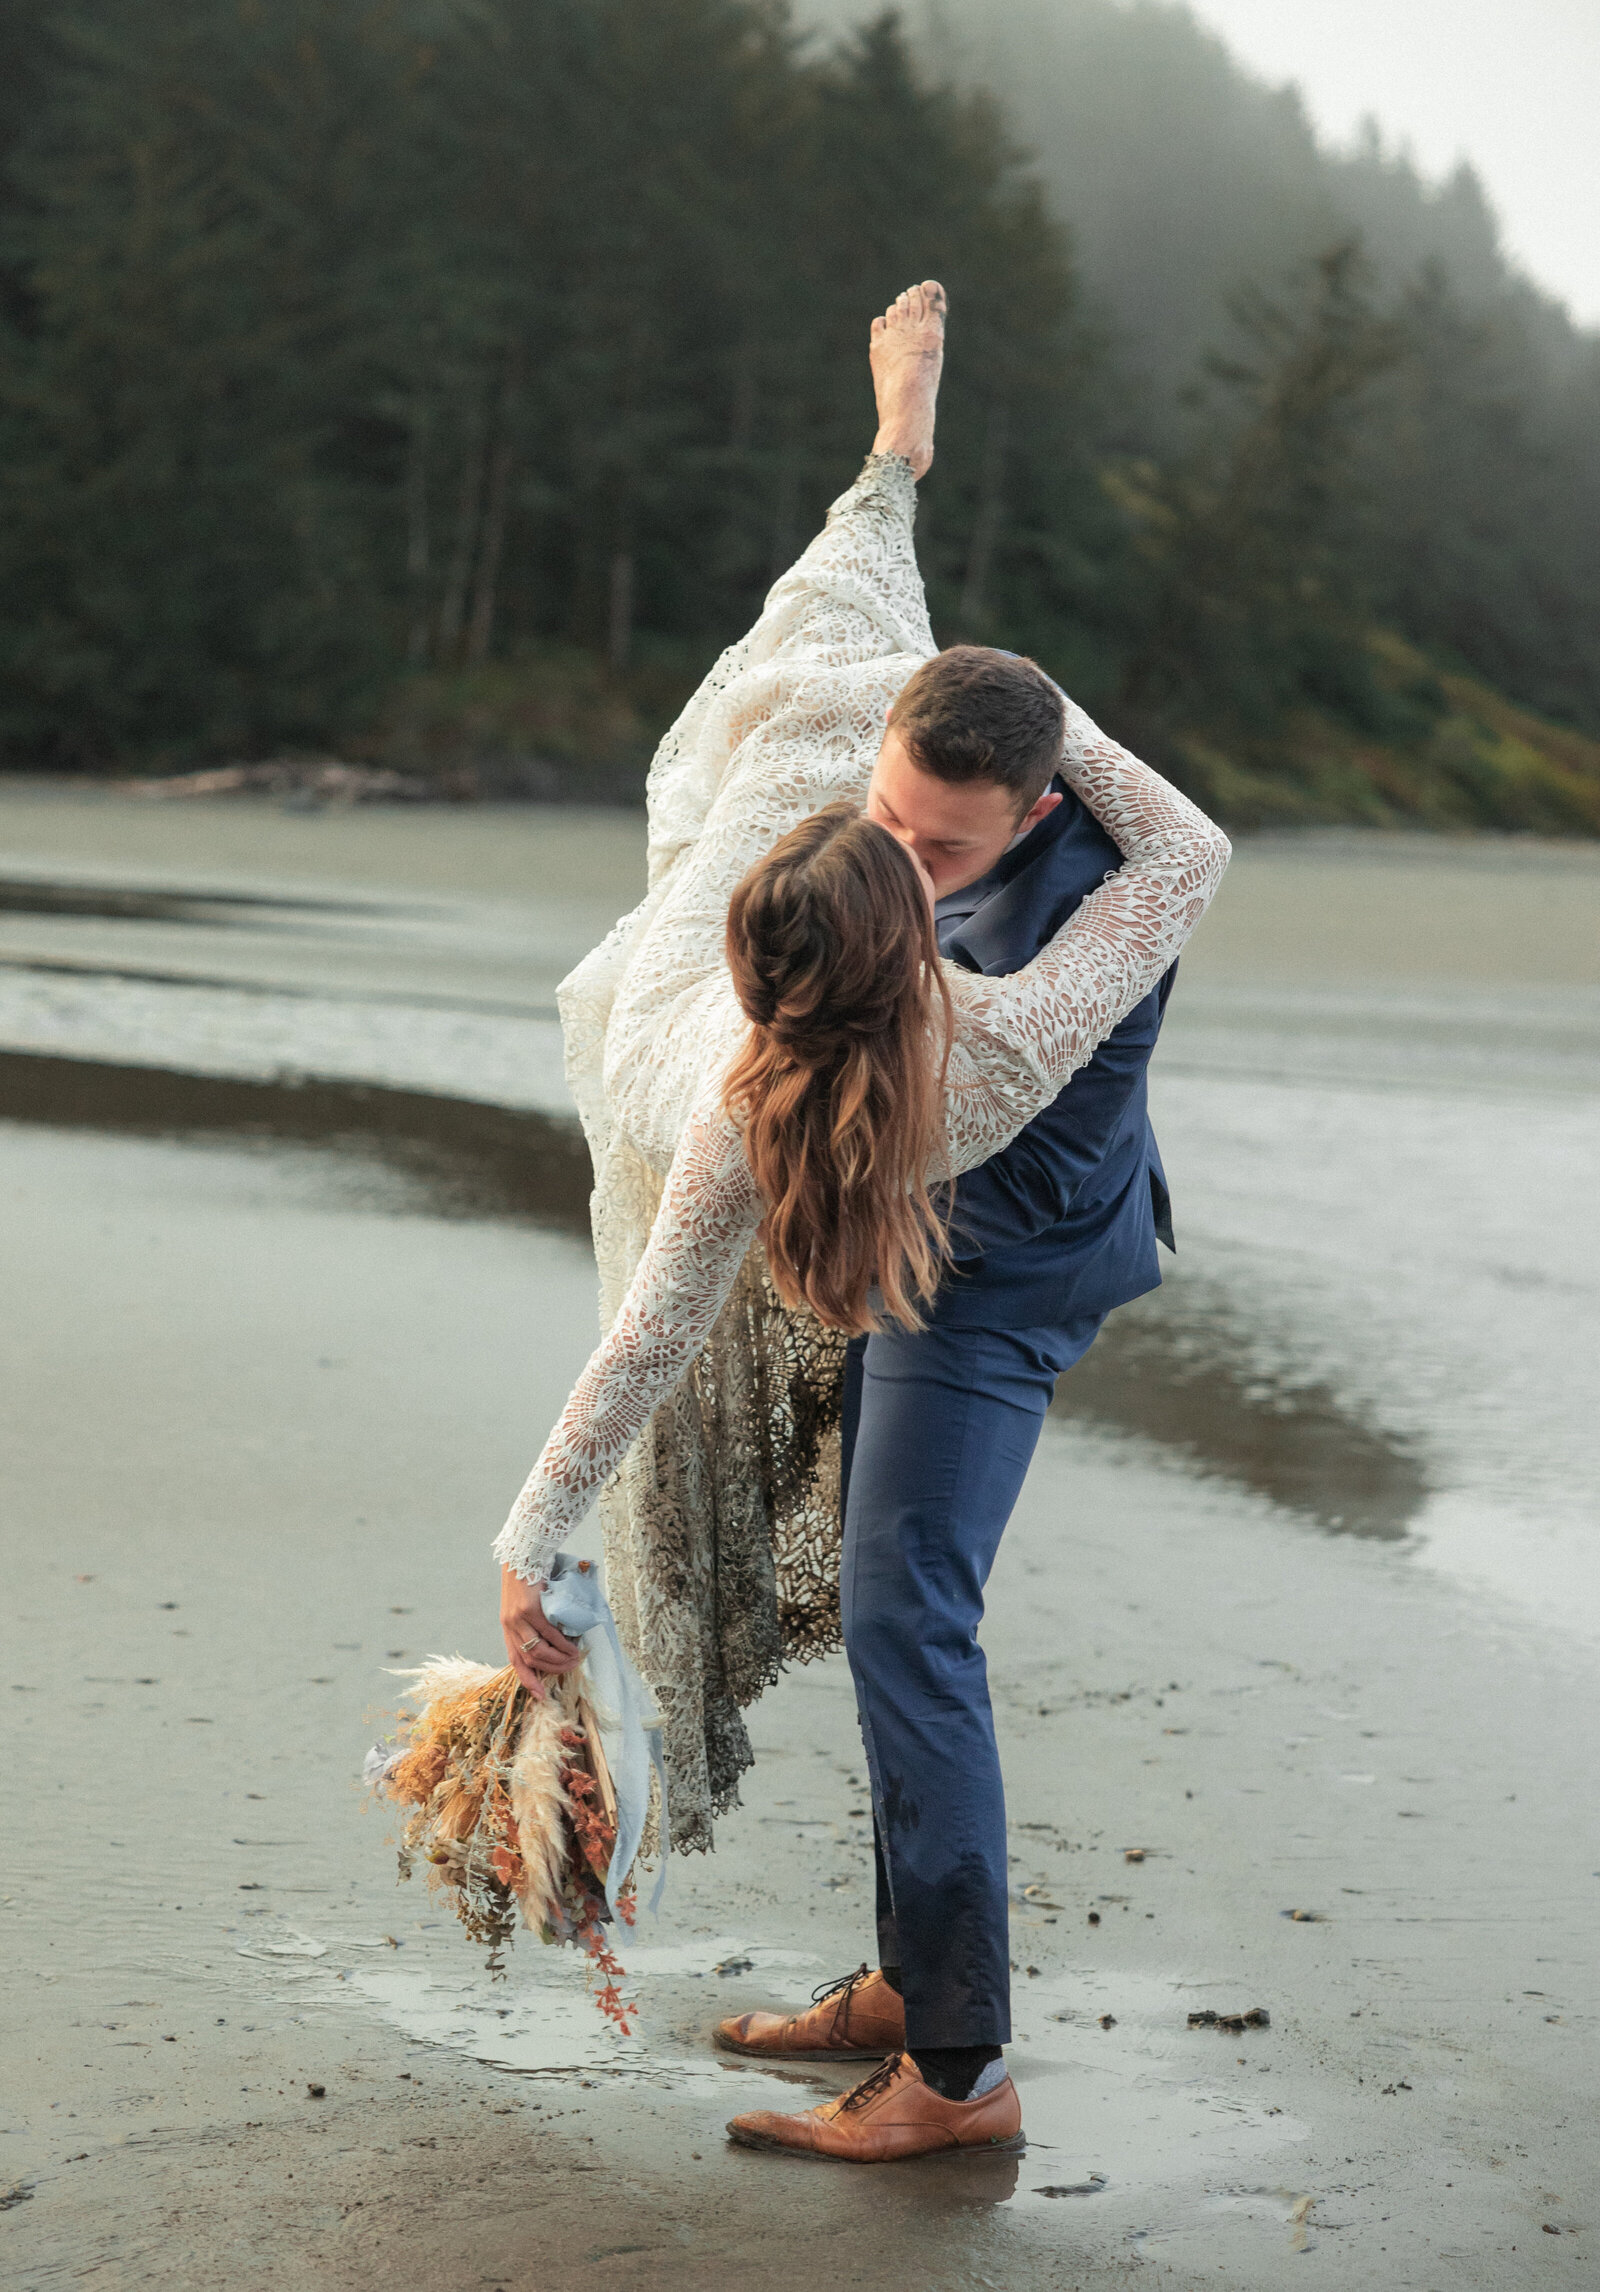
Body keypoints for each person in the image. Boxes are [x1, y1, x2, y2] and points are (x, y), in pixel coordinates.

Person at [495, 281, 1230, 2159]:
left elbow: (1194, 851)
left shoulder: (1023, 1019)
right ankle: (914, 1981)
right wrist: (897, 458)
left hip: (1018, 1256)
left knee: (909, 1613)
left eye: (944, 848)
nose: (906, 853)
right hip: (912, 1194)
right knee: (906, 1607)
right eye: (885, 827)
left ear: (1037, 804)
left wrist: (532, 1537)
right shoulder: (799, 1058)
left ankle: (961, 2074)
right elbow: (660, 1323)